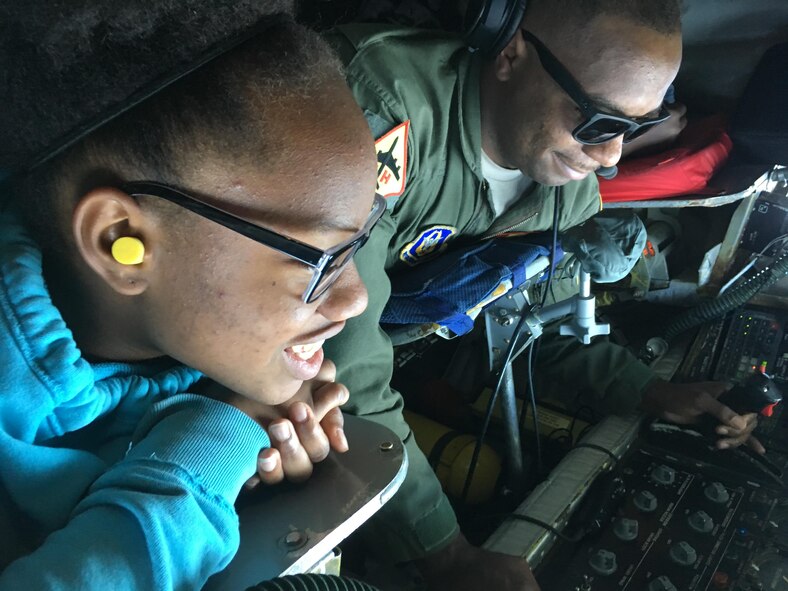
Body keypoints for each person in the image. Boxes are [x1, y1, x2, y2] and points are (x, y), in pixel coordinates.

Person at [320, 1, 761, 589]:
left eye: (632, 130)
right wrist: (443, 553)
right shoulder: (379, 115)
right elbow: (336, 366)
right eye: (599, 122)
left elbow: (531, 327)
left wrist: (651, 391)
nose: (609, 159)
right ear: (510, 54)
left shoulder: (561, 190)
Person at [0, 2, 382, 589]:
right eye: (321, 259)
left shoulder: (196, 337)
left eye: (361, 241)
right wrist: (204, 451)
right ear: (120, 240)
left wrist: (236, 426)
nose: (354, 299)